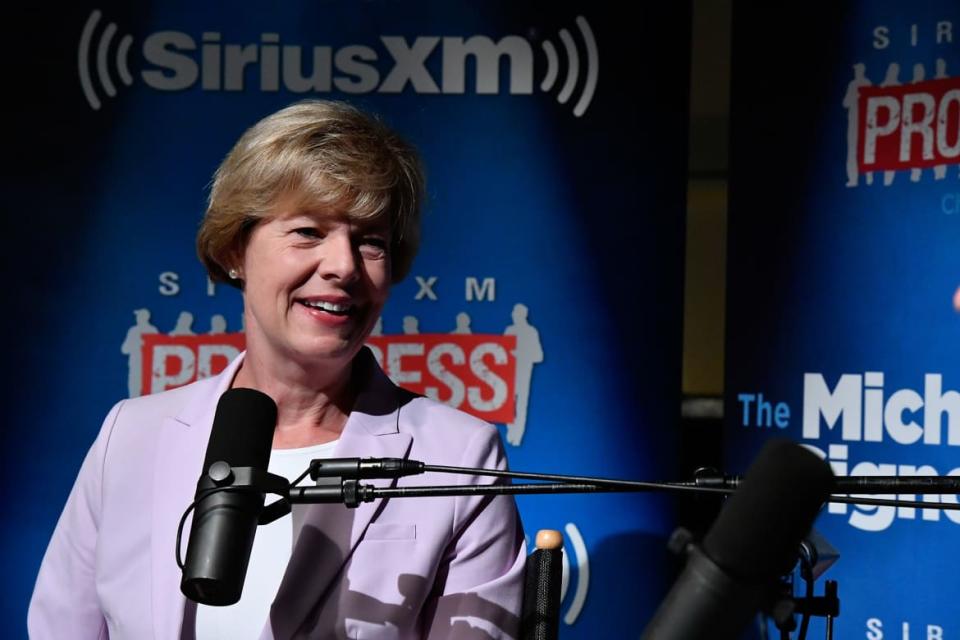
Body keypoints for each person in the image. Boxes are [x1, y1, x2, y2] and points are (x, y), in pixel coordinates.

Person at [29, 100, 525, 639]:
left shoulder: (457, 455)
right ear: (235, 249)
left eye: (371, 241)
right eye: (309, 232)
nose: (342, 265)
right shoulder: (130, 436)